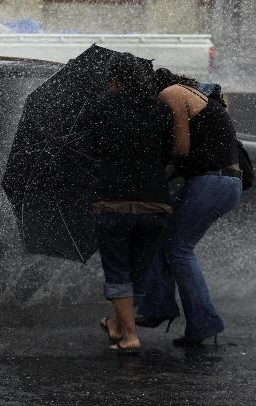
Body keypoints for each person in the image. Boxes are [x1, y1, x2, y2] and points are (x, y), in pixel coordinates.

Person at [136, 68, 243, 347]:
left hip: (213, 182)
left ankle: (204, 323)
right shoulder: (197, 95)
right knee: (165, 242)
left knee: (179, 250)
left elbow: (181, 149)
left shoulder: (170, 94)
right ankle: (157, 308)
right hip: (218, 182)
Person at [89, 54, 173, 354]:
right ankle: (116, 324)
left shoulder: (102, 106)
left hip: (114, 202)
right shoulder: (161, 109)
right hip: (155, 204)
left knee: (118, 271)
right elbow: (168, 152)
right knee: (139, 272)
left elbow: (94, 148)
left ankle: (131, 335)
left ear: (116, 81)